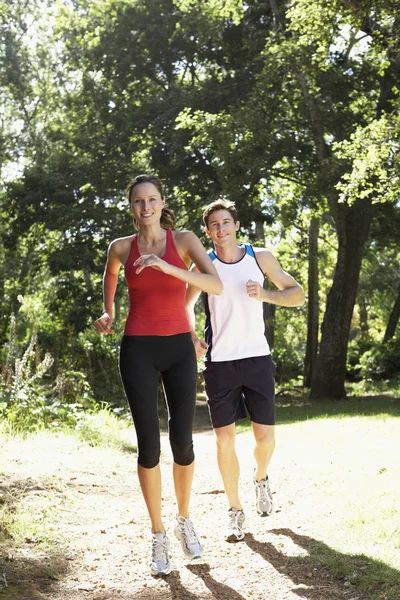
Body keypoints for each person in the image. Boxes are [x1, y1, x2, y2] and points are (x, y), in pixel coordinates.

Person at [94, 175, 223, 576]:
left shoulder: (183, 241)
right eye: (138, 201)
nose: (145, 207)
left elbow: (214, 284)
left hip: (179, 350)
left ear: (161, 202)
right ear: (130, 206)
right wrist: (109, 311)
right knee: (149, 446)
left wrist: (171, 267)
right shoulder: (120, 247)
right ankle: (158, 533)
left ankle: (184, 520)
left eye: (151, 199)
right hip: (137, 350)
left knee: (183, 444)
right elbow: (110, 275)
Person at [185, 199, 304, 543]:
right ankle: (235, 511)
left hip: (257, 360)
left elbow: (296, 294)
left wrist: (266, 294)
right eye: (214, 226)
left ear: (236, 225)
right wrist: (192, 336)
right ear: (207, 232)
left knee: (265, 438)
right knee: (224, 439)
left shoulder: (260, 257)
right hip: (219, 363)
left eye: (226, 223)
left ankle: (261, 478)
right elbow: (184, 305)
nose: (220, 230)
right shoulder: (204, 264)